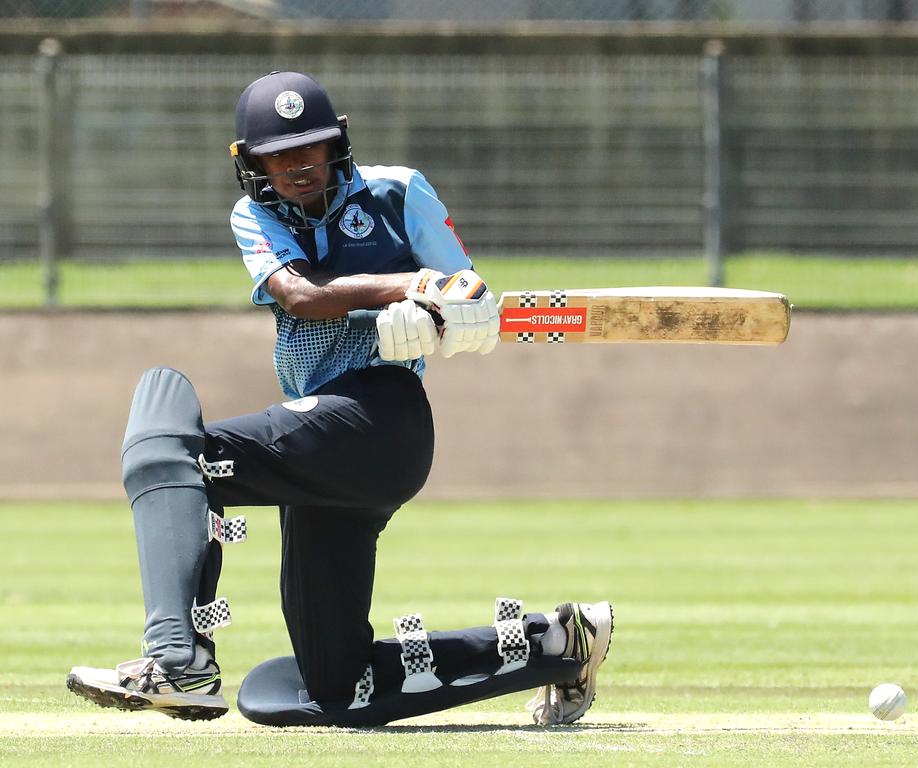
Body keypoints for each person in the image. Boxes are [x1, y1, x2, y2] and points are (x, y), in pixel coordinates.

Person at [66, 70, 613, 727]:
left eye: (311, 148)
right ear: (252, 163)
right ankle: (557, 643)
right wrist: (402, 288)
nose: (297, 166)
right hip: (324, 451)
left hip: (380, 419)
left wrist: (447, 313)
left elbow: (468, 292)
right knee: (335, 684)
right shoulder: (254, 215)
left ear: (337, 145)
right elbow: (301, 294)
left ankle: (178, 662)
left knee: (174, 452)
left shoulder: (399, 191)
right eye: (278, 154)